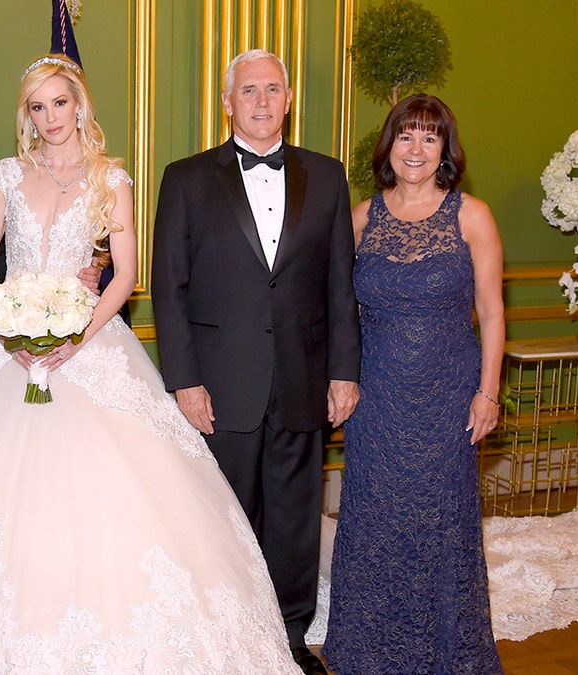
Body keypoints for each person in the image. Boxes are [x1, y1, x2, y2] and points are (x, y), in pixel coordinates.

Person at [0, 54, 300, 673]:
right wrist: (12, 328)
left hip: (91, 348)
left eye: (59, 104)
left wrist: (77, 336)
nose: (50, 118)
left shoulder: (111, 180)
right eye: (37, 108)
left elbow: (125, 275)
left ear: (79, 105)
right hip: (6, 357)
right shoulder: (6, 177)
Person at [151, 48, 361, 674]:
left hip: (302, 379)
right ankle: (227, 640)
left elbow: (339, 285)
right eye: (249, 90)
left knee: (295, 521)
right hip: (219, 387)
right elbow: (170, 289)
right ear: (227, 102)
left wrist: (344, 370)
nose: (262, 101)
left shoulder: (327, 176)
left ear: (288, 99)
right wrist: (184, 380)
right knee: (223, 520)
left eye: (273, 89)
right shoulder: (185, 178)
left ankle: (291, 642)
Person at [324, 94, 504, 674]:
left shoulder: (471, 215)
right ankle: (368, 656)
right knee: (376, 522)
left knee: (441, 522)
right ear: (390, 146)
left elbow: (494, 313)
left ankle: (447, 657)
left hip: (450, 397)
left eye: (430, 137)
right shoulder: (359, 218)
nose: (417, 149)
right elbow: (333, 309)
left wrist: (488, 391)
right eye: (407, 136)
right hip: (376, 401)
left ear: (445, 149)